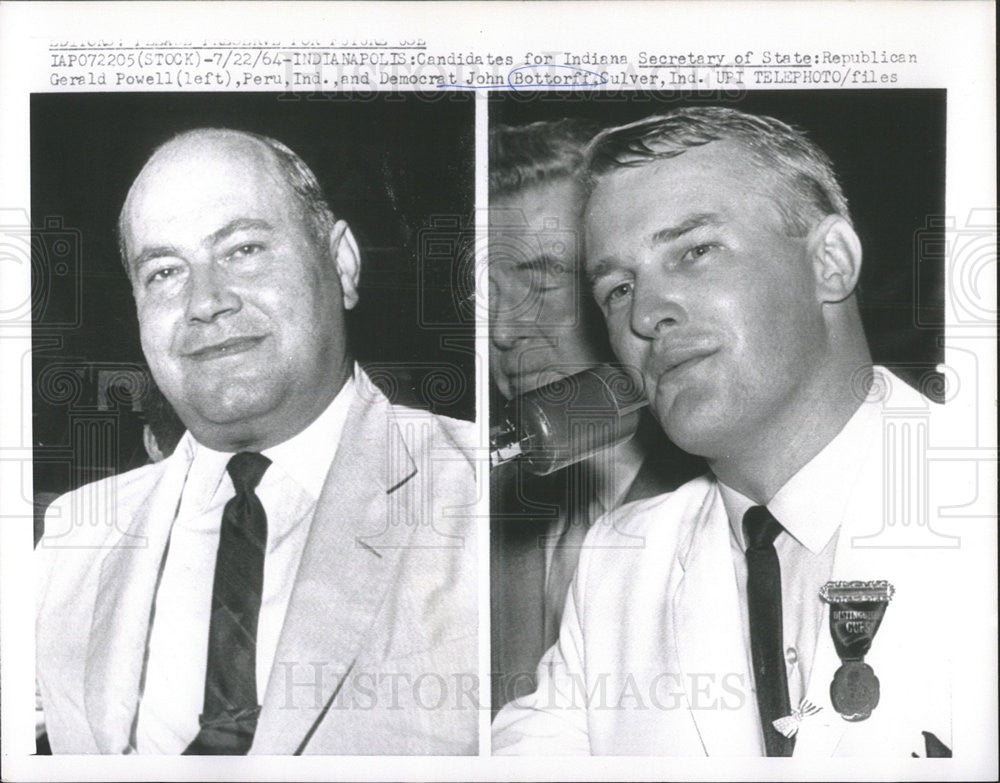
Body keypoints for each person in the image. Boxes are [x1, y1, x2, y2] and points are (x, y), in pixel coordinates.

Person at [492, 106, 960, 756]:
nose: (647, 314)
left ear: (830, 261)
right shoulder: (620, 562)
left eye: (694, 251)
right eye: (619, 288)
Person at [36, 129, 477, 755]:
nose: (206, 302)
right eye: (164, 271)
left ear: (342, 263)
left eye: (243, 249)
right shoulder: (73, 538)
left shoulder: (483, 495)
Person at [488, 119, 702, 714]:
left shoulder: (733, 499)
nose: (503, 331)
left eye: (542, 282)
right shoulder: (473, 513)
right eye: (484, 296)